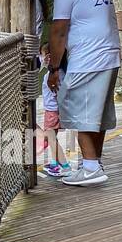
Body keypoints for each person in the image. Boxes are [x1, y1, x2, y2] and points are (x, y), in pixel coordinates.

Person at [47, 0, 121, 187]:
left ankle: (90, 168)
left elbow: (59, 30)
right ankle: (92, 163)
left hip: (87, 60)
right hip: (110, 56)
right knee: (96, 115)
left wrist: (54, 68)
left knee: (81, 115)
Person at [37, 44, 70, 179]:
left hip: (52, 111)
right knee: (52, 137)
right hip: (58, 110)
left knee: (50, 138)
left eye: (42, 55)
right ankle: (54, 162)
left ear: (49, 57)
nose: (41, 58)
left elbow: (57, 93)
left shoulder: (50, 77)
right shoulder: (63, 73)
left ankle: (65, 166)